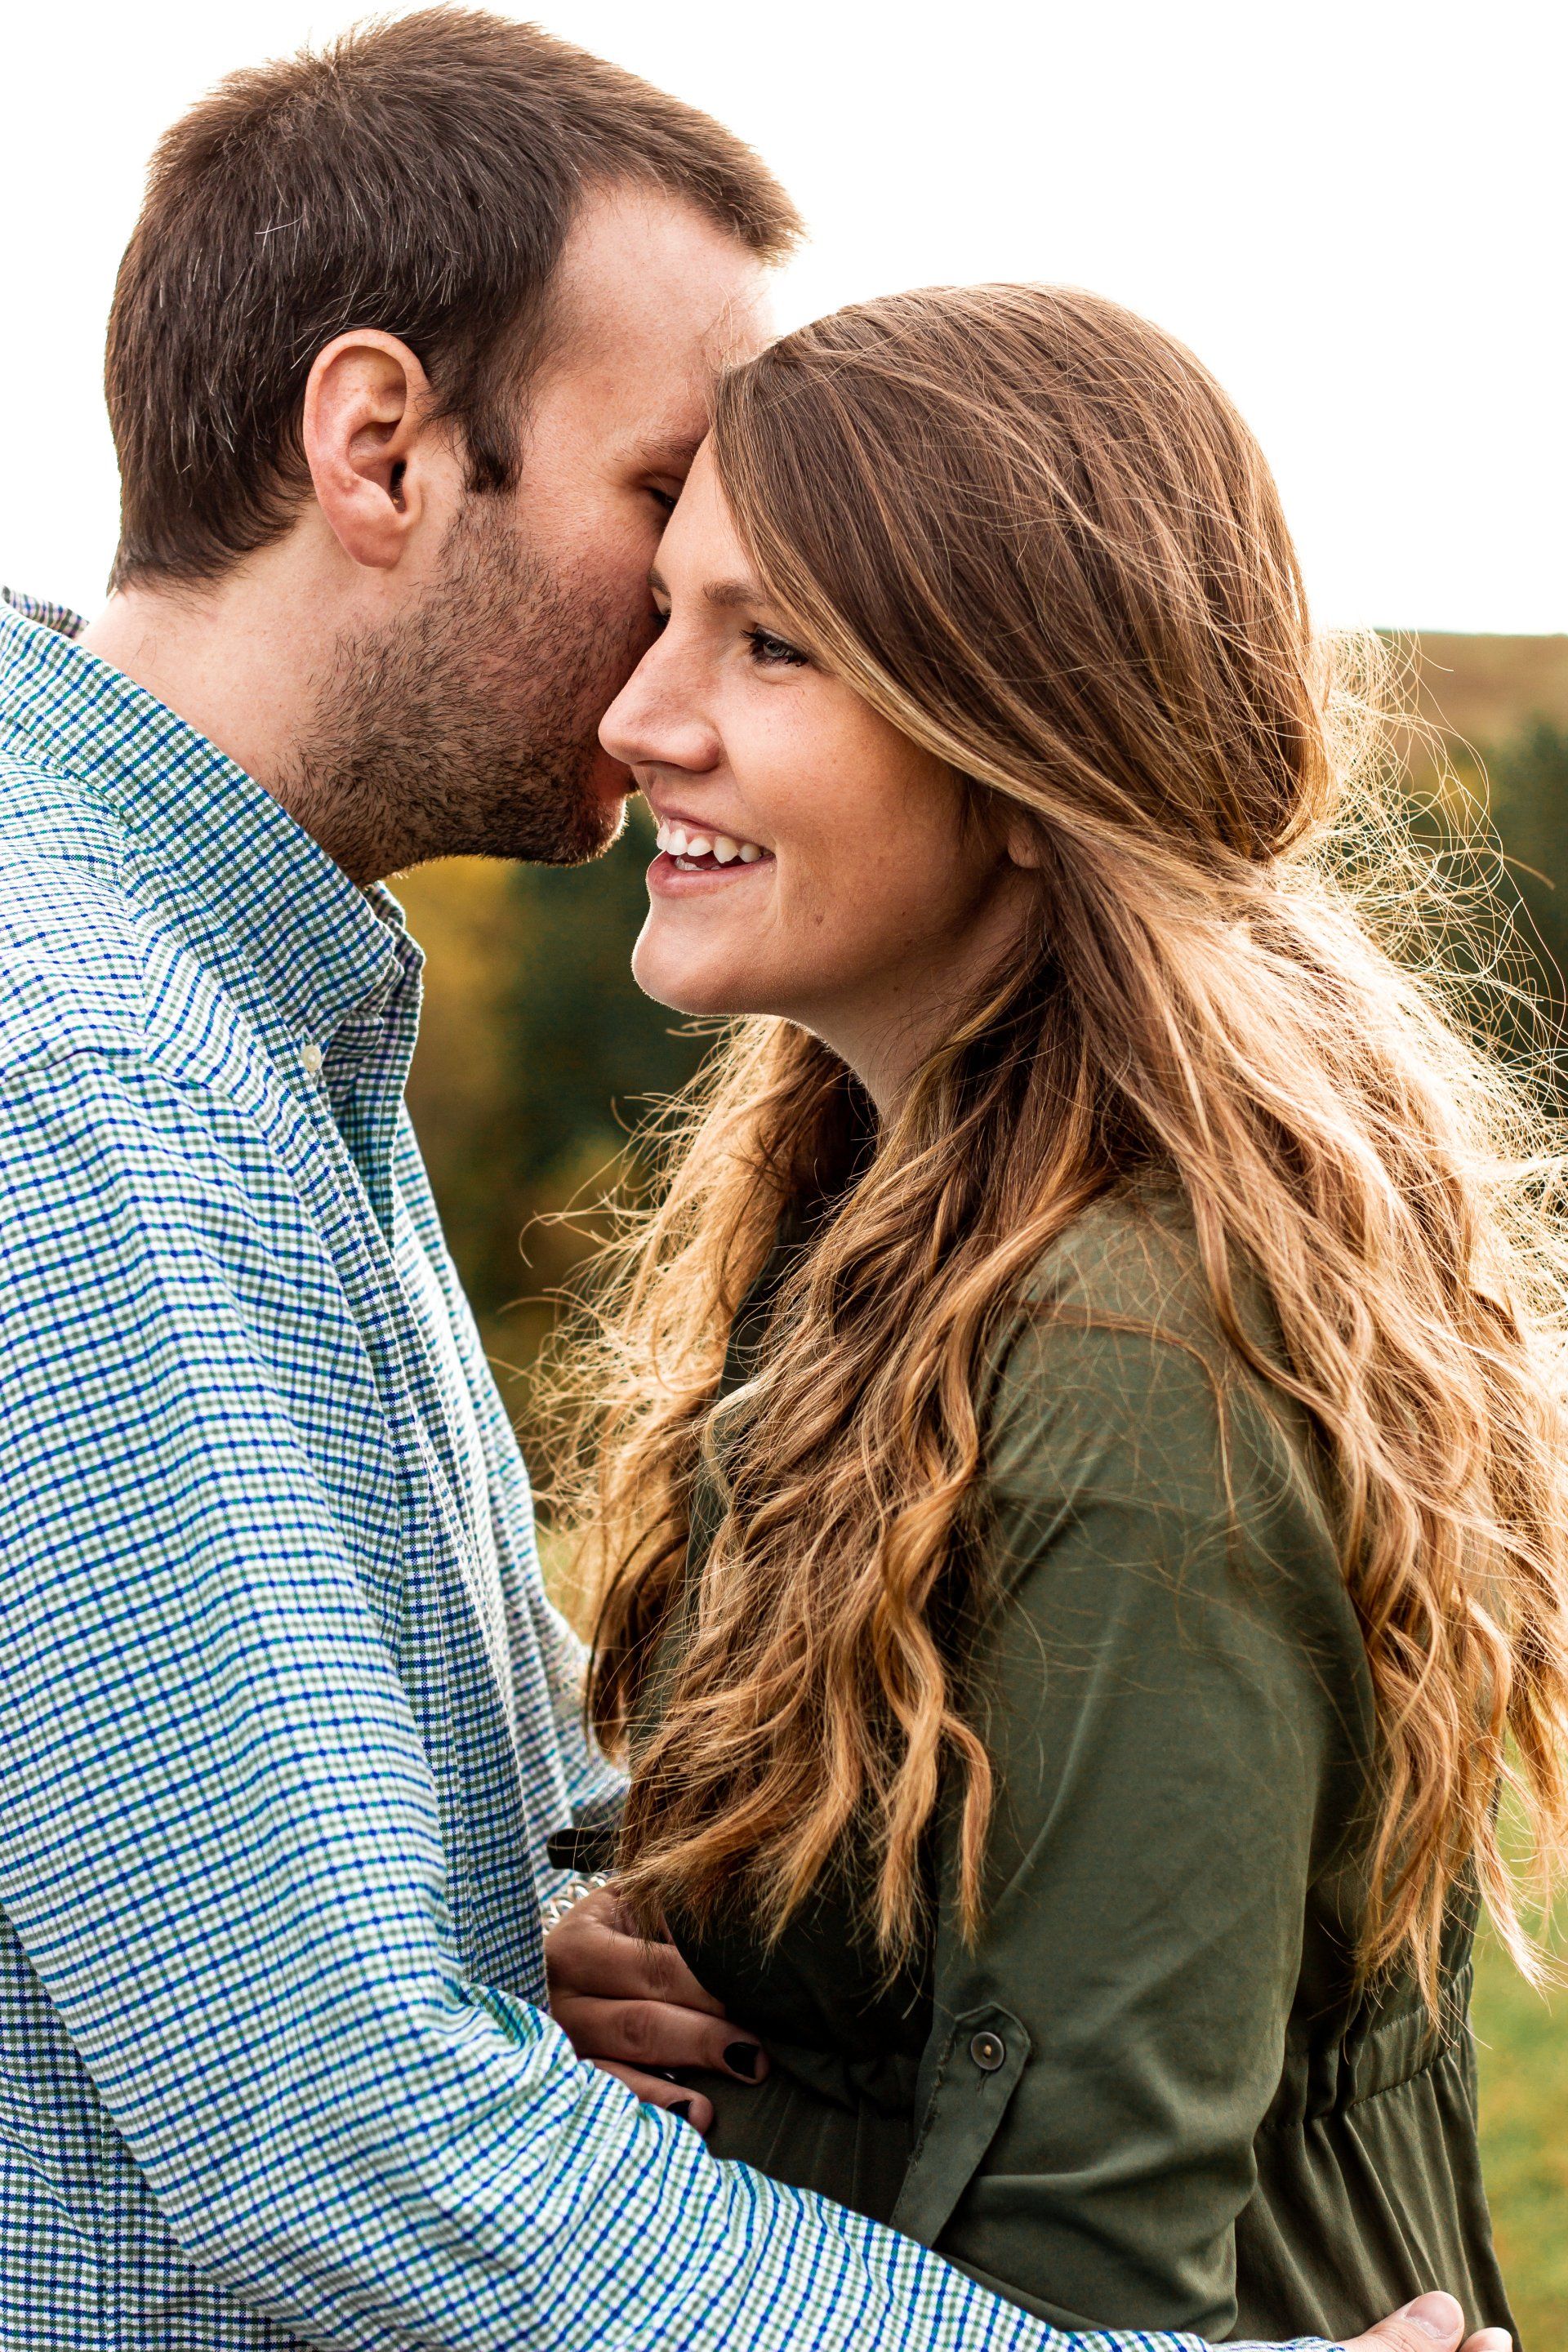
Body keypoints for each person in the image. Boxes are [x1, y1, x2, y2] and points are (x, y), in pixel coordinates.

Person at [0, 11, 1499, 2351]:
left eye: (776, 624)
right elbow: (351, 2143)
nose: (644, 697)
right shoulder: (81, 1071)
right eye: (658, 505)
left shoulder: (233, 1003)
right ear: (378, 444)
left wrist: (510, 1939)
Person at [542, 286, 1568, 2345]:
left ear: (1028, 752)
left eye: (773, 641)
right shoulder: (882, 1221)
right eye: (665, 615)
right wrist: (648, 1945)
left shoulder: (1122, 1351)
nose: (642, 720)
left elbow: (1092, 2267)